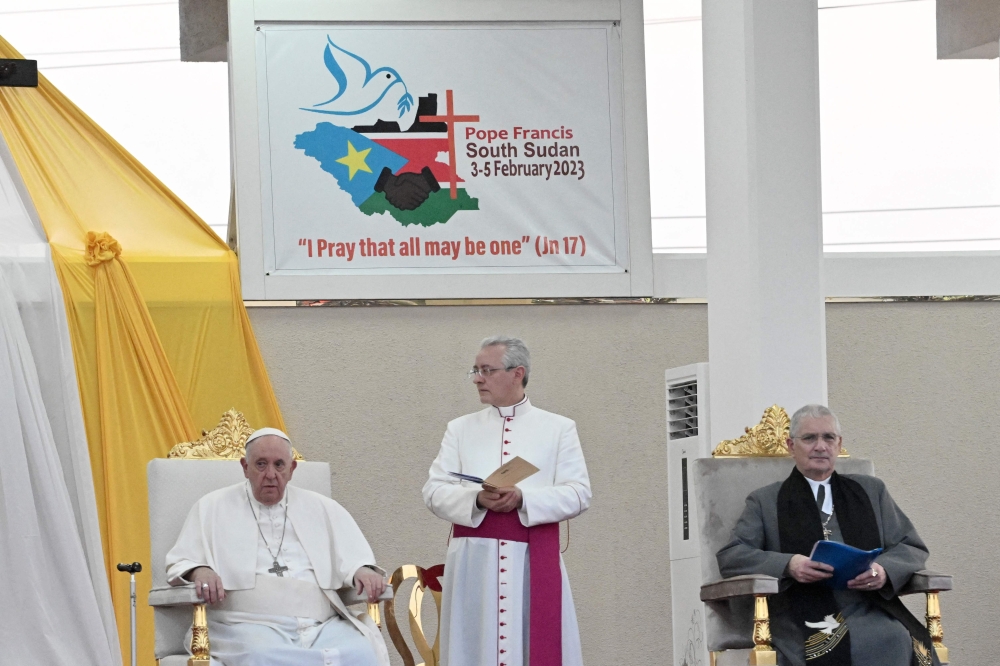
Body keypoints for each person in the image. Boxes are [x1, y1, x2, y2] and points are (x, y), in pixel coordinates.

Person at [717, 405, 940, 666]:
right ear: (791, 446)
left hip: (865, 605)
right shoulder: (765, 501)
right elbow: (733, 556)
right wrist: (789, 565)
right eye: (809, 438)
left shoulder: (871, 491)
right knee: (849, 642)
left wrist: (882, 571)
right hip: (799, 610)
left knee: (894, 637)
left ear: (838, 444)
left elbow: (910, 546)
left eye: (828, 438)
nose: (820, 446)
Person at [422, 335, 592, 666]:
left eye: (487, 370)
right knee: (474, 648)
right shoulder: (459, 430)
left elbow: (579, 492)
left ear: (517, 373)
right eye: (475, 370)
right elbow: (433, 490)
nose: (477, 378)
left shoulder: (558, 429)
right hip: (475, 564)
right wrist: (478, 500)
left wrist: (524, 498)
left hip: (530, 557)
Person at [165, 428, 390, 666]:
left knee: (362, 653)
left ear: (292, 470)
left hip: (321, 627)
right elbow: (182, 561)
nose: (270, 474)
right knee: (262, 657)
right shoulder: (211, 507)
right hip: (245, 626)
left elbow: (352, 558)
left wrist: (362, 570)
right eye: (261, 464)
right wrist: (200, 570)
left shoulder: (323, 508)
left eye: (279, 465)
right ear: (245, 467)